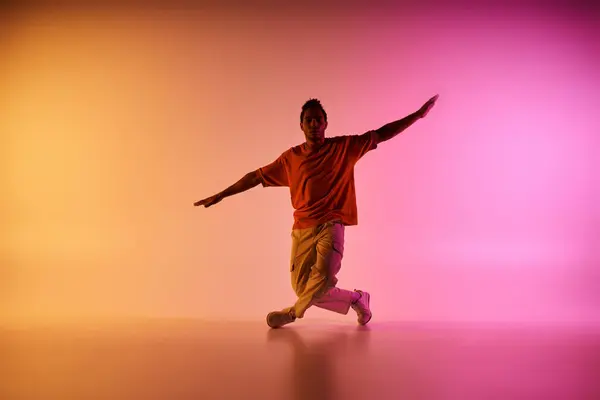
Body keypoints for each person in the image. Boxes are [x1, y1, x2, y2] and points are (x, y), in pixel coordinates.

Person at [194, 95, 439, 328]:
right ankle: (357, 299)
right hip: (302, 229)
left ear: (325, 123)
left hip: (332, 225)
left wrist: (417, 115)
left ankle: (292, 313)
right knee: (305, 289)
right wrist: (222, 194)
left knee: (321, 281)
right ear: (301, 125)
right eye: (308, 120)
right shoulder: (291, 158)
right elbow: (256, 177)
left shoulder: (344, 147)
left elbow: (382, 133)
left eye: (318, 120)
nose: (313, 124)